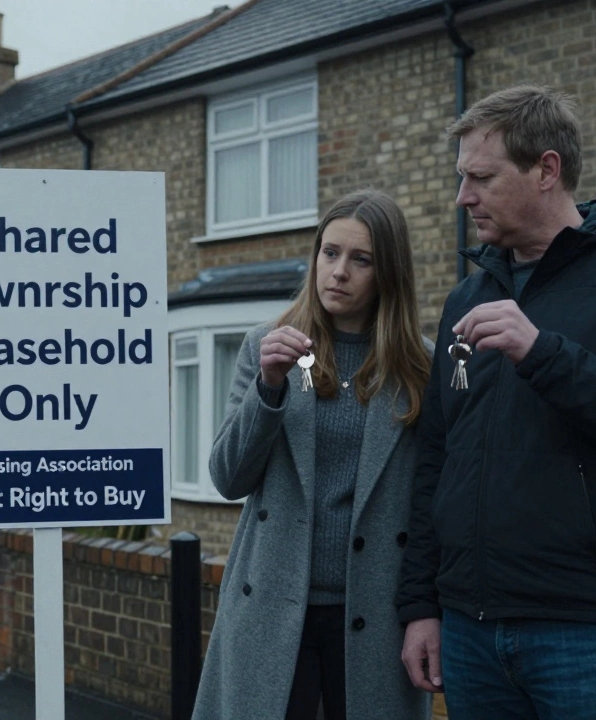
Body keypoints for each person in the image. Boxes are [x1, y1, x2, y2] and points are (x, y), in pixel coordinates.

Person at [394, 84, 596, 720]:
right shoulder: (465, 301)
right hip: (470, 628)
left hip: (592, 633)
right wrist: (421, 606)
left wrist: (542, 353)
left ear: (546, 169)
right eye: (462, 178)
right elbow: (439, 453)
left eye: (481, 177)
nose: (464, 198)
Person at [193, 189, 432, 720]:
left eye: (360, 259)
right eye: (330, 253)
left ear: (388, 272)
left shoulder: (420, 368)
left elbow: (433, 504)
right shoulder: (268, 346)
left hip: (374, 612)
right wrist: (269, 388)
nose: (339, 271)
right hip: (273, 608)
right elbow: (228, 478)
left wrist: (426, 611)